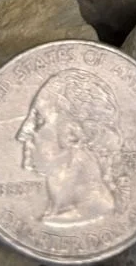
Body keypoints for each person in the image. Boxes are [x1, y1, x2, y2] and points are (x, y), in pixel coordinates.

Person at [15, 68, 123, 227]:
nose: (22, 133)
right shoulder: (56, 214)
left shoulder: (93, 210)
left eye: (38, 120)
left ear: (72, 135)